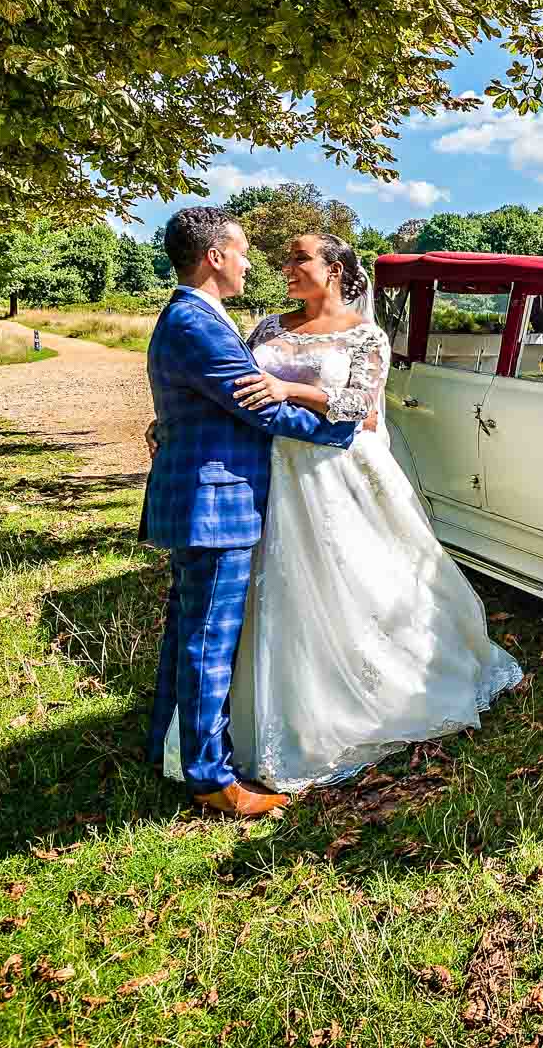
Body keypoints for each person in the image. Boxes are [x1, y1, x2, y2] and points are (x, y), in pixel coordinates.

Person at [166, 230, 522, 795]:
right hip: (267, 471)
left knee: (355, 584)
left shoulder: (366, 335)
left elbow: (360, 405)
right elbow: (231, 389)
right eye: (287, 258)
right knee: (271, 595)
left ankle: (361, 696)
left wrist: (291, 390)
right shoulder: (266, 327)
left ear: (334, 270)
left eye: (299, 258)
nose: (286, 266)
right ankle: (258, 712)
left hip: (335, 472)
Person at [141, 207, 358, 819]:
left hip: (207, 499)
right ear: (214, 256)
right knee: (208, 638)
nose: (248, 262)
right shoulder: (197, 323)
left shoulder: (198, 318)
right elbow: (256, 404)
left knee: (188, 631)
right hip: (216, 503)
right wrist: (337, 430)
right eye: (240, 252)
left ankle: (169, 744)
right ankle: (211, 779)